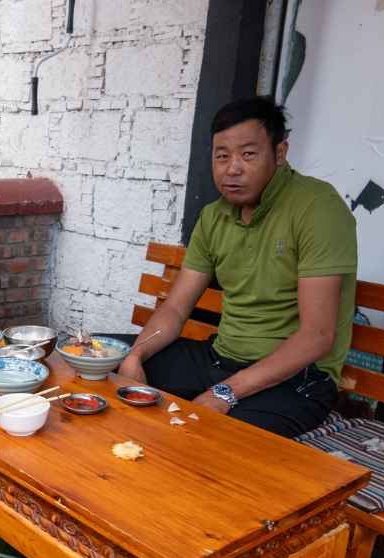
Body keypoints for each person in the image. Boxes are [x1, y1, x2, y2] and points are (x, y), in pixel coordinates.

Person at [115, 97, 357, 438]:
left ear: (280, 152)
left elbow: (317, 336)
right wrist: (136, 355)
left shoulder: (317, 208)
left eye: (248, 154)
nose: (233, 168)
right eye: (222, 155)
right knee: (97, 360)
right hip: (219, 360)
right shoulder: (215, 216)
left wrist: (225, 393)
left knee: (206, 438)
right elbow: (176, 306)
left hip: (296, 380)